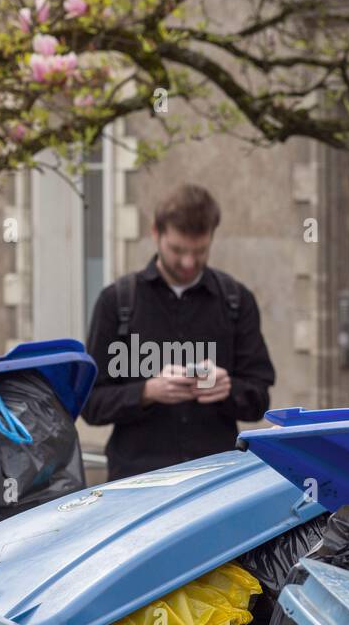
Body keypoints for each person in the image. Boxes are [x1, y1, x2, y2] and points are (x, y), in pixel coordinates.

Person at [82, 183, 276, 479]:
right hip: (136, 482)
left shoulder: (236, 300)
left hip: (216, 478)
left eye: (200, 251)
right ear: (155, 233)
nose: (188, 262)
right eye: (177, 250)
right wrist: (146, 392)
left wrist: (228, 390)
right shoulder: (116, 301)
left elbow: (259, 400)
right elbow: (90, 404)